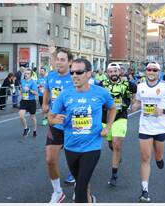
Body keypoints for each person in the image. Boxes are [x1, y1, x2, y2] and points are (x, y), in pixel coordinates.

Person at [48, 58, 116, 203]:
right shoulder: (65, 94)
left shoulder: (100, 93)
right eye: (72, 72)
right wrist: (54, 121)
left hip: (92, 147)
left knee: (79, 190)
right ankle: (90, 200)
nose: (74, 75)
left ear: (89, 74)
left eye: (79, 72)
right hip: (71, 146)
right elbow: (51, 117)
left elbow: (112, 108)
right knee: (82, 185)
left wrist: (108, 127)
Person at [131, 62, 165, 202]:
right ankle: (145, 190)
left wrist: (164, 111)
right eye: (149, 69)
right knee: (145, 158)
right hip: (145, 126)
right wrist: (134, 105)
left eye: (154, 70)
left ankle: (159, 158)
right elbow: (137, 102)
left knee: (157, 156)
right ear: (146, 71)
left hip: (161, 127)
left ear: (159, 72)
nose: (151, 71)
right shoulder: (140, 86)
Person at [42, 48, 76, 202]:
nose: (59, 62)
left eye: (63, 60)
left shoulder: (75, 77)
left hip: (73, 125)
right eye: (57, 59)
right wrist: (44, 104)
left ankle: (80, 187)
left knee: (75, 161)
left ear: (69, 63)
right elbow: (47, 91)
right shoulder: (50, 76)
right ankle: (57, 192)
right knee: (50, 159)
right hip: (55, 123)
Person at [100, 62, 137, 187]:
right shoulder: (102, 85)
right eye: (111, 72)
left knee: (116, 144)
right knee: (111, 144)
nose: (113, 74)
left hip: (121, 117)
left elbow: (139, 91)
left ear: (119, 72)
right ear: (107, 73)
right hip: (105, 119)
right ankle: (117, 153)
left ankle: (114, 175)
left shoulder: (127, 84)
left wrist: (135, 102)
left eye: (115, 71)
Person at [19, 69, 38, 137]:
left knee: (33, 117)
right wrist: (21, 91)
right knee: (21, 116)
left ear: (31, 75)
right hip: (24, 100)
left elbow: (36, 93)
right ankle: (26, 128)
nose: (26, 75)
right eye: (25, 73)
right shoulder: (22, 81)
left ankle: (35, 130)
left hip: (31, 101)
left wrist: (29, 90)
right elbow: (21, 89)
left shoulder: (33, 82)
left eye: (28, 73)